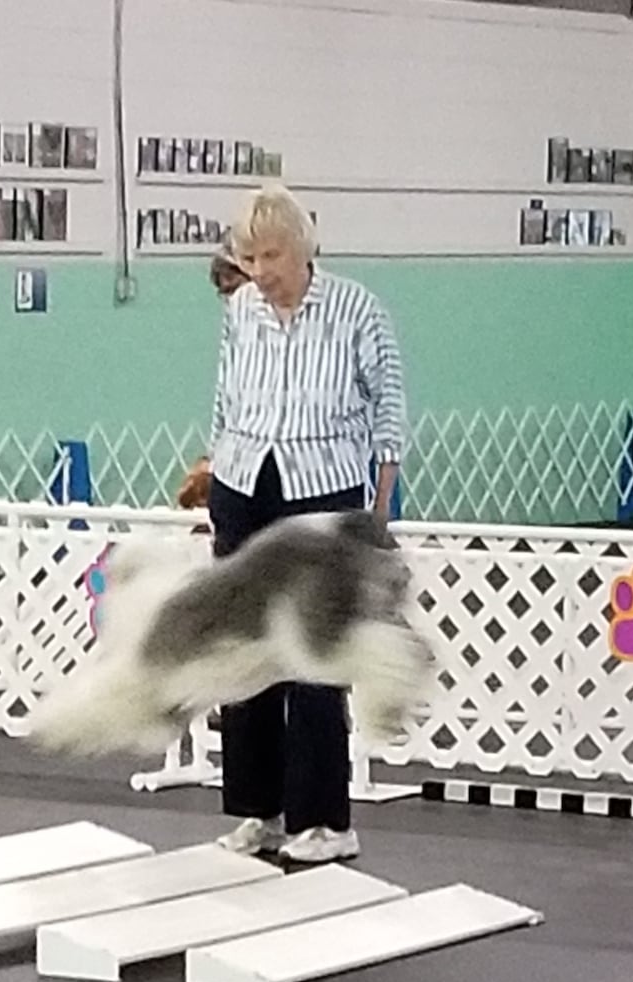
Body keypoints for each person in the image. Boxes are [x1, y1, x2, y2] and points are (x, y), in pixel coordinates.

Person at [207, 185, 407, 865]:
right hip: (243, 486)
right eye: (251, 256)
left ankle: (325, 820)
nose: (261, 271)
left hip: (322, 494)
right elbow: (225, 394)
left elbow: (388, 410)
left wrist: (379, 507)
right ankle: (258, 811)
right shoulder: (239, 311)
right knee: (243, 651)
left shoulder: (357, 311)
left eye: (273, 255)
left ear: (304, 248)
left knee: (316, 654)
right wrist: (213, 475)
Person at [175, 237, 249, 512]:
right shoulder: (232, 331)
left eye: (236, 288)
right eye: (225, 293)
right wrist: (216, 455)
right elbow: (223, 397)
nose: (231, 300)